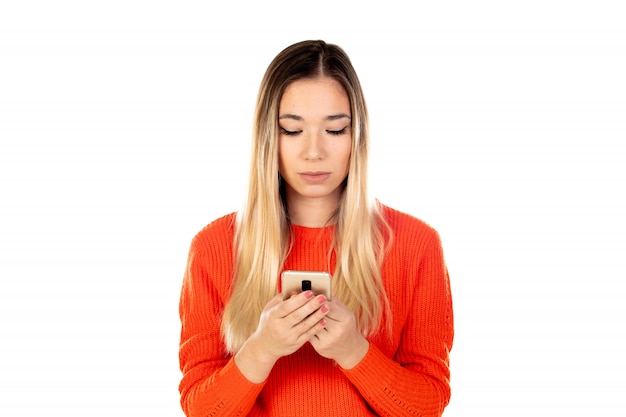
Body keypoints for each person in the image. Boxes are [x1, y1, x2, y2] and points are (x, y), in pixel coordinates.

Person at [178, 40, 454, 417]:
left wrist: (354, 352)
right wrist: (262, 350)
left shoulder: (416, 244)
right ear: (267, 138)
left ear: (357, 136)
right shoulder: (213, 247)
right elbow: (201, 410)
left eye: (335, 129)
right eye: (292, 131)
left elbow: (427, 405)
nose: (314, 152)